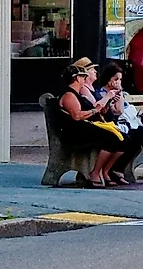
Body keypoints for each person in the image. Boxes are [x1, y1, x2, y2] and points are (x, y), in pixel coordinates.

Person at [53, 56, 125, 187]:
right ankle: (95, 173)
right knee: (111, 138)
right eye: (83, 76)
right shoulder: (69, 95)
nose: (85, 79)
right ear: (77, 78)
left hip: (83, 128)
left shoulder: (77, 93)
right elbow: (76, 116)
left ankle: (103, 171)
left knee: (119, 138)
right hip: (74, 132)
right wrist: (94, 110)